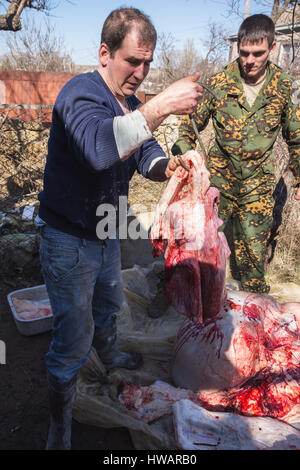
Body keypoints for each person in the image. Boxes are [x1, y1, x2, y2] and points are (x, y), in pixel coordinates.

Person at [36, 7, 203, 450]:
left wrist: (173, 166)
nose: (141, 72)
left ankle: (109, 357)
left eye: (148, 63)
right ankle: (60, 421)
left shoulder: (128, 104)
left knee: (109, 307)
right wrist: (162, 105)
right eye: (133, 61)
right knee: (72, 340)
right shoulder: (79, 95)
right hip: (68, 240)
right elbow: (98, 150)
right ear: (105, 53)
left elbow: (145, 154)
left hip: (106, 232)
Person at [172, 14, 300, 294]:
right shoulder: (218, 84)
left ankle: (253, 320)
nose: (249, 60)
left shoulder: (283, 87)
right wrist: (185, 156)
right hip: (218, 184)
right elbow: (187, 129)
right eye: (244, 53)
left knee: (251, 263)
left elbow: (296, 137)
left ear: (272, 48)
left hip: (258, 187)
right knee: (195, 247)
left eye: (258, 53)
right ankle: (174, 293)